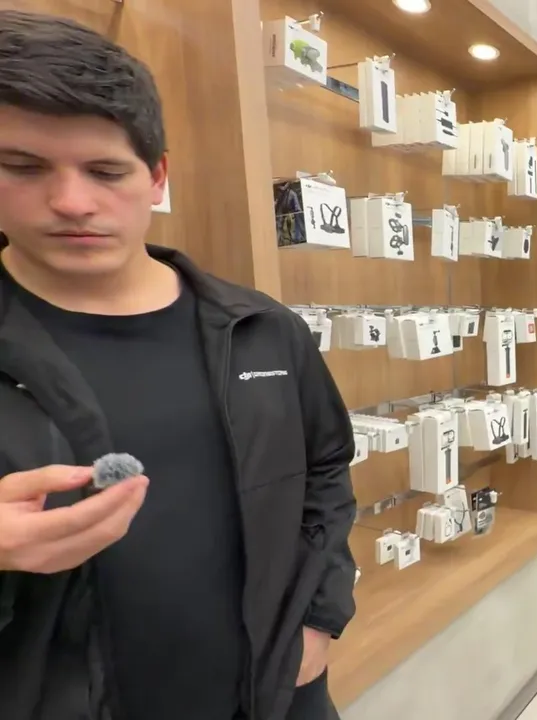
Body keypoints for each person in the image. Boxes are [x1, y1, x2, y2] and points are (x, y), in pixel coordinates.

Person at [0, 11, 356, 720]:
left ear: (156, 177)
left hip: (271, 699)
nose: (72, 202)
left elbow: (326, 470)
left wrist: (319, 621)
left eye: (106, 171)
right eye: (23, 167)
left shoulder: (262, 331)